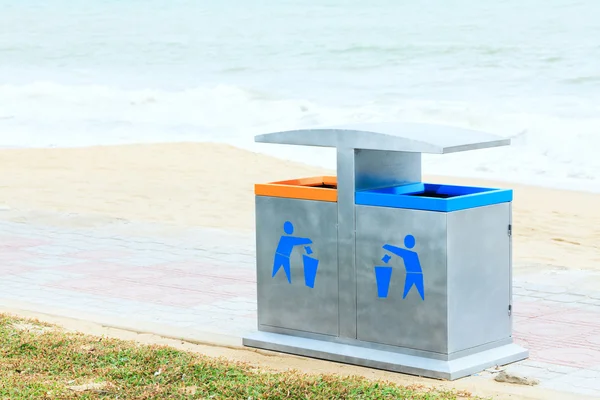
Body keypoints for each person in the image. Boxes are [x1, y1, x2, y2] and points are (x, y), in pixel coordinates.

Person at [382, 234, 425, 300]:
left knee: (418, 293)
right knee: (407, 293)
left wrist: (387, 246)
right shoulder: (412, 254)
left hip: (415, 274)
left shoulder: (410, 254)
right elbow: (399, 252)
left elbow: (398, 251)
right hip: (413, 273)